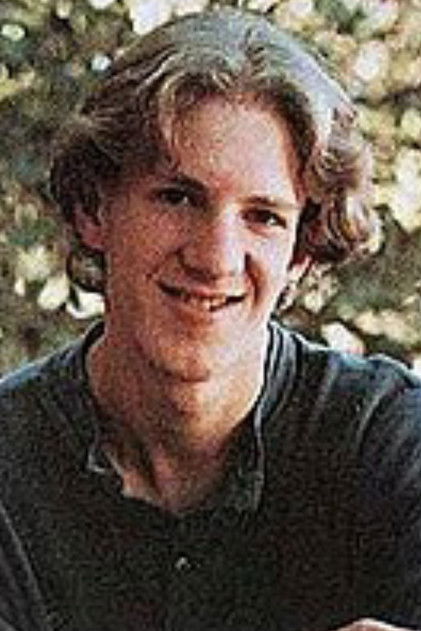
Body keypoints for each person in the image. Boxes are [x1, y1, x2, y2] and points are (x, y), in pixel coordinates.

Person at [0, 6, 420, 631]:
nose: (216, 258)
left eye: (263, 217)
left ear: (301, 253)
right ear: (94, 210)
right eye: (178, 198)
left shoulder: (389, 440)